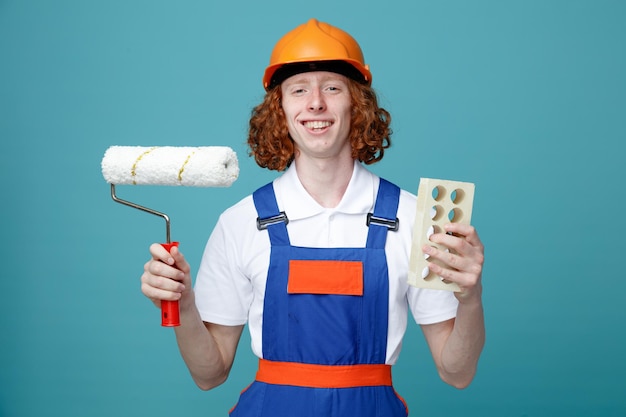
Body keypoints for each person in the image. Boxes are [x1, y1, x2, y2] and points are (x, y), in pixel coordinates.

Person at [141, 18, 485, 416]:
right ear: (280, 111)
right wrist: (183, 307)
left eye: (332, 87)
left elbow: (457, 372)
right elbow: (209, 373)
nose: (315, 103)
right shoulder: (241, 221)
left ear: (357, 105)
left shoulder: (413, 217)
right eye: (299, 90)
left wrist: (470, 299)